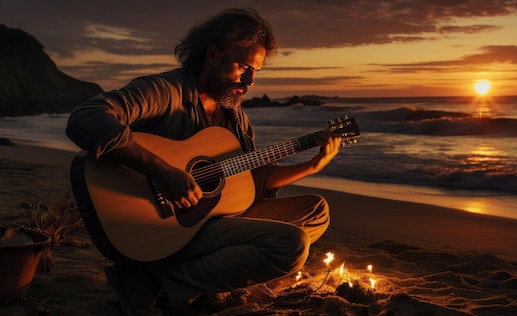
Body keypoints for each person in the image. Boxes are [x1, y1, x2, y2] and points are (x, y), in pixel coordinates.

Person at [65, 8, 342, 315]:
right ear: (213, 53)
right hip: (164, 225)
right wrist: (162, 171)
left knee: (316, 211)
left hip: (208, 221)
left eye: (256, 72)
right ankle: (161, 278)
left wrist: (312, 165)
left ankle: (170, 281)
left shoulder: (235, 118)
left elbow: (253, 182)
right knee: (291, 245)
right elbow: (85, 118)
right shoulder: (163, 92)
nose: (249, 80)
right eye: (242, 66)